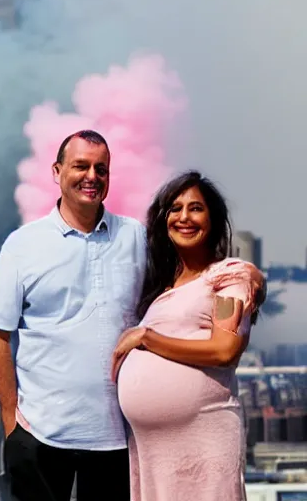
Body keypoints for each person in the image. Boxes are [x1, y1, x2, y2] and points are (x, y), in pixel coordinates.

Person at [0, 129, 146, 501]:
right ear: (56, 172)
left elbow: (183, 281)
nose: (92, 177)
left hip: (118, 438)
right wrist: (12, 421)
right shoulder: (23, 245)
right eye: (80, 166)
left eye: (101, 169)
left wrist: (243, 275)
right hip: (39, 436)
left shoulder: (136, 237)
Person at [112, 170, 266, 501]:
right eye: (175, 208)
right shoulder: (160, 287)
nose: (184, 217)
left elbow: (225, 350)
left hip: (202, 441)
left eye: (195, 208)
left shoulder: (227, 278)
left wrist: (146, 339)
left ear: (213, 219)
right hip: (153, 450)